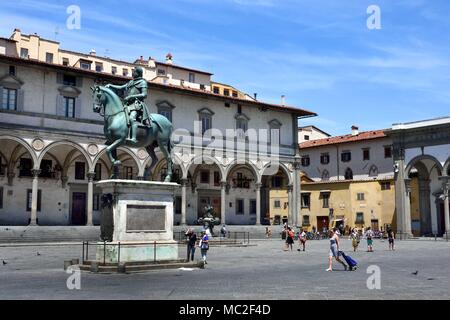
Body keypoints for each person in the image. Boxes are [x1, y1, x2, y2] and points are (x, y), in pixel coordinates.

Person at [105, 66, 150, 144]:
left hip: (137, 105)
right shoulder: (131, 82)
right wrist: (111, 85)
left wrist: (131, 96)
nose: (132, 73)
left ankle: (134, 138)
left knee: (132, 118)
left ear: (138, 73)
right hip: (128, 105)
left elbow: (144, 95)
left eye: (134, 71)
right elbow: (121, 87)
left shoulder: (142, 82)